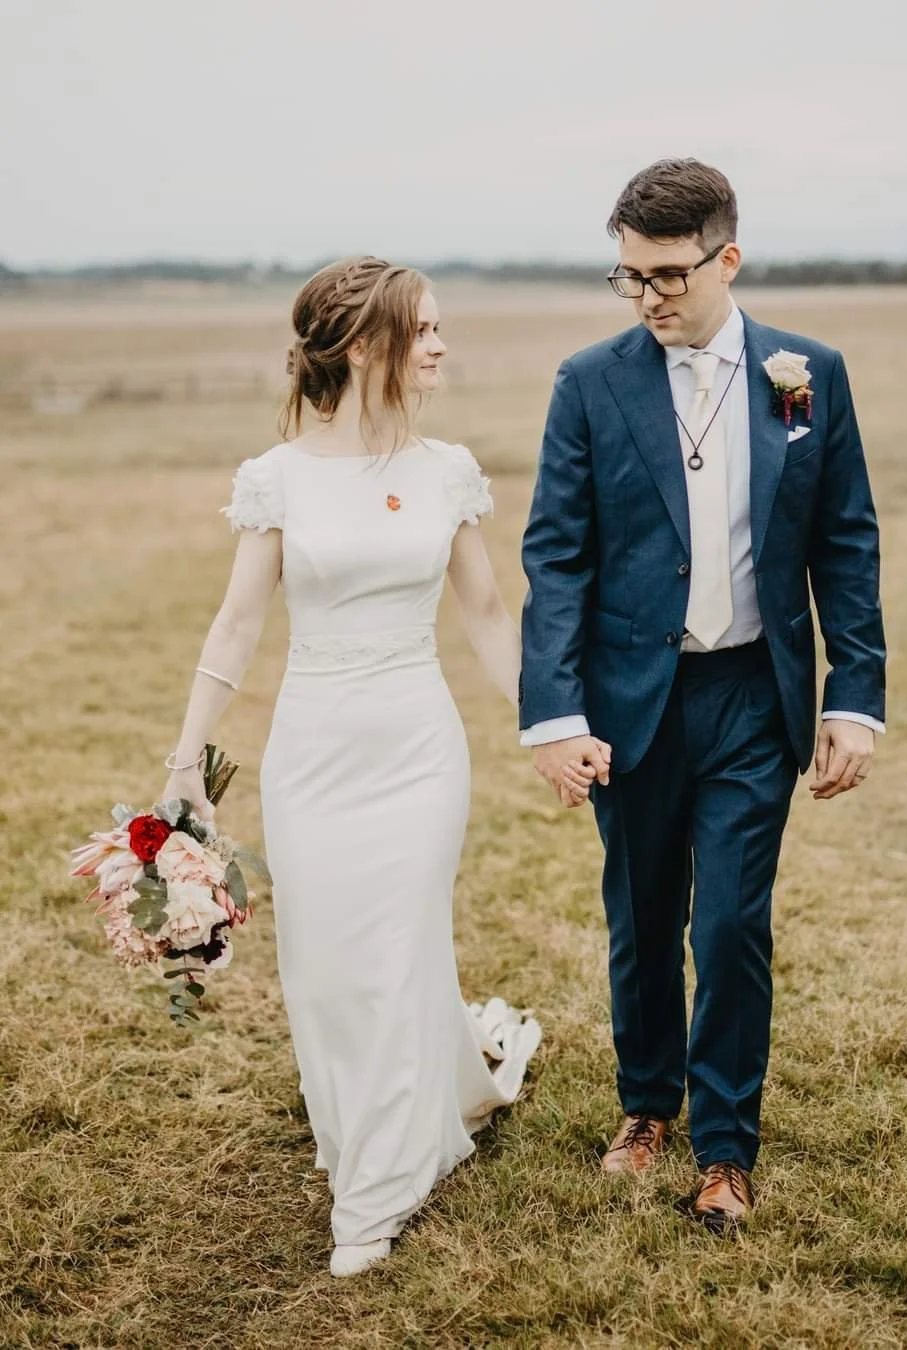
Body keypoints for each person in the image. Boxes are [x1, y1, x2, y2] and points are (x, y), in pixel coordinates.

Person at [161, 258, 589, 1276]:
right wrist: (187, 759)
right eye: (424, 329)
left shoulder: (446, 470)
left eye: (442, 328)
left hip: (416, 750)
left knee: (394, 948)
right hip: (312, 753)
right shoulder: (278, 478)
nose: (441, 345)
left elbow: (486, 613)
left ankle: (380, 1190)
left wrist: (546, 726)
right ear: (364, 346)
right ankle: (372, 1121)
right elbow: (236, 624)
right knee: (325, 967)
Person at [520, 159, 886, 1231]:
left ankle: (726, 1149)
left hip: (751, 696)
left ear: (728, 257)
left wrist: (852, 697)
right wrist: (554, 713)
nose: (648, 297)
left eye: (668, 275)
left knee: (728, 924)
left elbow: (845, 540)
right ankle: (647, 1107)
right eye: (628, 277)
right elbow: (558, 557)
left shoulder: (803, 373)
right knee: (641, 918)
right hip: (631, 701)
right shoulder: (588, 382)